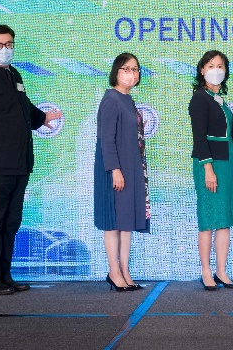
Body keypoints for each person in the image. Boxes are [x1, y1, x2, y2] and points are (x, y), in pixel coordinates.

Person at [0, 24, 63, 295]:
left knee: (9, 224)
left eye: (8, 44)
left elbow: (22, 107)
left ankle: (4, 275)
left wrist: (43, 118)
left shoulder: (13, 75)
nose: (4, 49)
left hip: (18, 165)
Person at [188, 50, 233, 291]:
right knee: (209, 220)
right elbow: (200, 138)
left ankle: (221, 271)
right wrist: (208, 169)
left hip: (227, 163)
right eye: (211, 65)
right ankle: (205, 272)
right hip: (210, 164)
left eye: (220, 65)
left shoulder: (219, 99)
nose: (216, 69)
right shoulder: (199, 98)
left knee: (224, 220)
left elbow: (222, 131)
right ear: (202, 69)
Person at [95, 53, 149, 292]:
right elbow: (106, 140)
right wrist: (115, 170)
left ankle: (125, 270)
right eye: (126, 69)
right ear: (116, 72)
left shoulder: (128, 99)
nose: (132, 74)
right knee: (114, 224)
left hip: (132, 168)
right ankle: (113, 271)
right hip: (115, 169)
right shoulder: (111, 99)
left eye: (135, 69)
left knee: (127, 223)